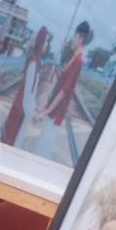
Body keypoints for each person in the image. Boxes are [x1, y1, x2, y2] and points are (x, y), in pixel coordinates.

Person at [37, 21, 91, 158]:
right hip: (52, 112)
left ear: (80, 39)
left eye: (75, 36)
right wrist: (45, 108)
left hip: (55, 114)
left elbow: (64, 91)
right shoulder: (75, 58)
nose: (73, 39)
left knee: (42, 150)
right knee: (42, 146)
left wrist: (46, 111)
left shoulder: (78, 61)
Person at [0, 26, 49, 148]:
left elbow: (31, 92)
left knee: (12, 141)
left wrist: (35, 110)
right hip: (21, 113)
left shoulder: (36, 62)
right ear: (41, 43)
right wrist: (32, 114)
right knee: (13, 142)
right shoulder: (34, 63)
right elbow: (27, 94)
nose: (47, 44)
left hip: (23, 111)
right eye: (46, 41)